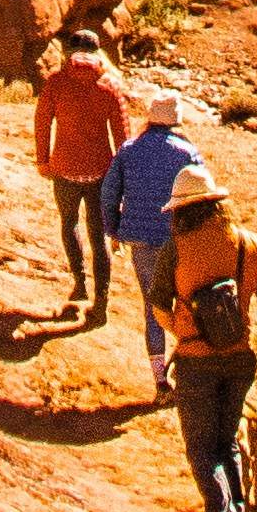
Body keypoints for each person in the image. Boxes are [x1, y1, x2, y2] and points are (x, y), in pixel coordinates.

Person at [159, 166, 257, 512]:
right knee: (226, 443)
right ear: (218, 203)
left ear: (181, 211)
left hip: (196, 363)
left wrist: (181, 331)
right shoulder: (251, 245)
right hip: (240, 360)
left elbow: (158, 305)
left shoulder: (177, 248)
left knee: (200, 451)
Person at [102, 83, 207, 397]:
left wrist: (115, 231)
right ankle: (190, 374)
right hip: (181, 242)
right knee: (188, 305)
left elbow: (108, 196)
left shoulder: (129, 150)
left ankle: (161, 381)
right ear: (176, 120)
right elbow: (205, 196)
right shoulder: (188, 152)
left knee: (154, 308)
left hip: (143, 242)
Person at [30, 24, 129, 321]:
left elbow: (42, 123)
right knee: (99, 237)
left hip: (64, 168)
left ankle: (80, 284)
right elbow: (123, 135)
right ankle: (101, 303)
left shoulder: (56, 83)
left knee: (69, 222)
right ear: (98, 55)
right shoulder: (110, 87)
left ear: (68, 54)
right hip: (101, 173)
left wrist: (42, 160)